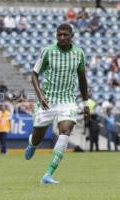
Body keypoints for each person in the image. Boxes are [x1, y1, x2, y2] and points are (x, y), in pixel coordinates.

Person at [24, 23, 90, 184]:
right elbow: (34, 74)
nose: (62, 38)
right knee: (38, 138)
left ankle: (48, 174)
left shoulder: (79, 53)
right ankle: (32, 144)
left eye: (65, 35)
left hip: (68, 101)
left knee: (65, 131)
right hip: (47, 101)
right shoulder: (47, 51)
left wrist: (86, 103)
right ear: (56, 35)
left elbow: (82, 79)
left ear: (71, 36)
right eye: (59, 35)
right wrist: (40, 96)